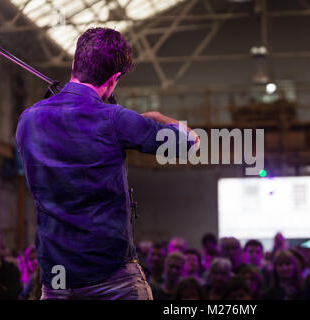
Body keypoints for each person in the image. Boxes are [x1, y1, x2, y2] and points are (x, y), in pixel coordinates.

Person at [15, 27, 199, 300]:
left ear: (75, 63)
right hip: (110, 278)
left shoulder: (28, 120)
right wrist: (157, 117)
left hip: (56, 278)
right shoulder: (115, 119)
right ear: (113, 79)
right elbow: (189, 142)